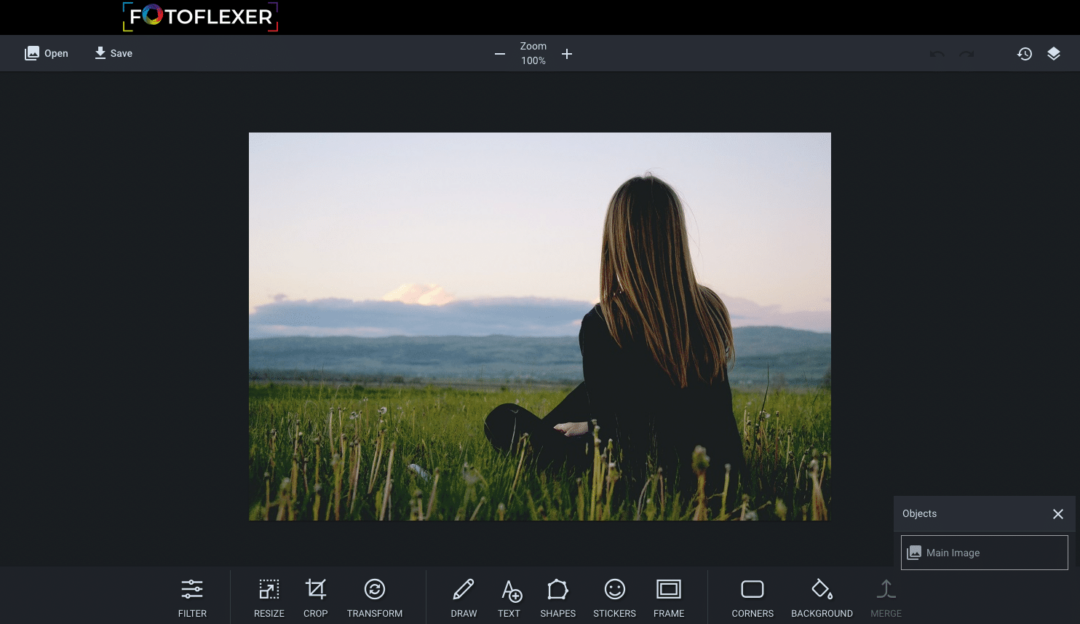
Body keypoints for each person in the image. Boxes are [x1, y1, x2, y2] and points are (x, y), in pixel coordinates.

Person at [484, 175, 745, 499]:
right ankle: (566, 429)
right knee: (590, 394)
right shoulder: (709, 307)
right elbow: (681, 408)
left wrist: (591, 428)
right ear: (675, 235)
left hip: (642, 483)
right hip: (720, 477)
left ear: (618, 240)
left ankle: (545, 442)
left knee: (501, 420)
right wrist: (592, 424)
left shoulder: (606, 322)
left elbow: (622, 441)